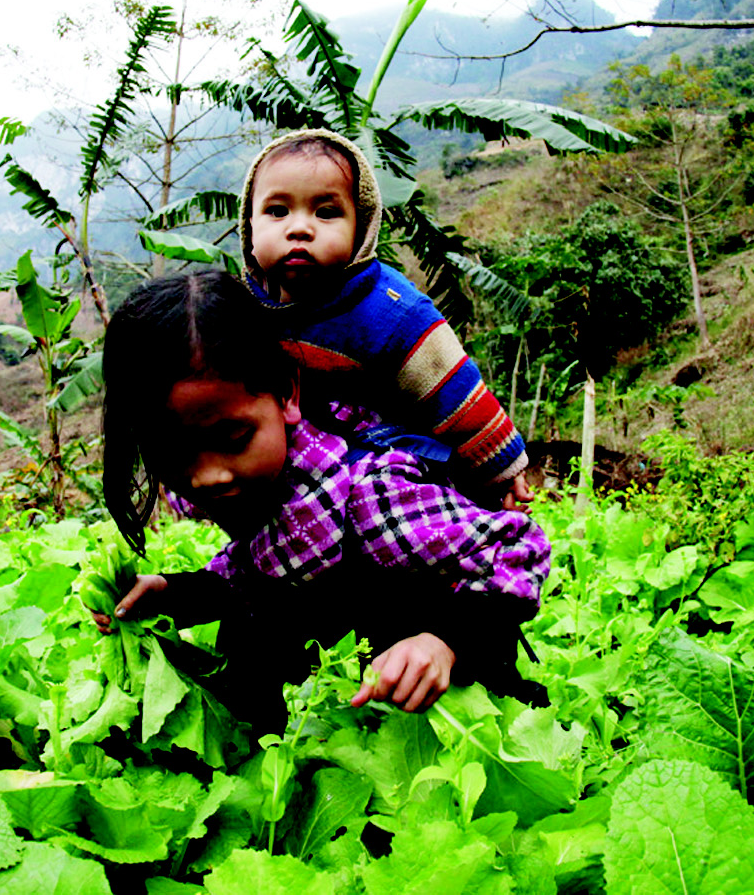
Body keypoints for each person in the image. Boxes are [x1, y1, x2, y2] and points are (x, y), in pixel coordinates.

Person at [98, 270, 550, 734]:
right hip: (339, 719)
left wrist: (445, 642)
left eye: (234, 438)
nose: (208, 475)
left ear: (287, 394)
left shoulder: (372, 496)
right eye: (172, 452)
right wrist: (176, 595)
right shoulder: (263, 489)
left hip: (444, 723)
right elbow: (257, 572)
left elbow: (518, 550)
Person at [239, 129, 533, 510]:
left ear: (361, 226)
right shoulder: (243, 308)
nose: (298, 228)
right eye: (277, 211)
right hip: (299, 478)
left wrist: (503, 469)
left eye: (326, 213)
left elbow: (453, 387)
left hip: (389, 470)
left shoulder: (389, 309)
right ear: (249, 225)